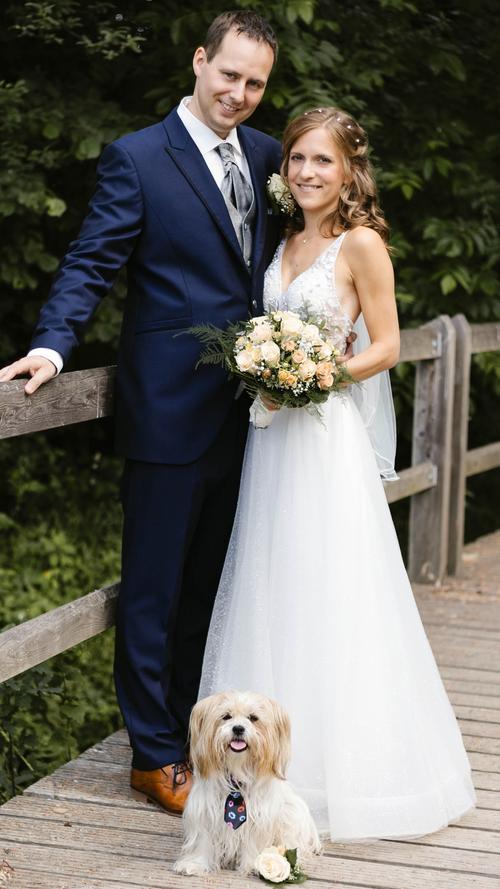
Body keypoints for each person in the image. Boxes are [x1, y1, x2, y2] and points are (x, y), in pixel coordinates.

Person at [0, 11, 284, 816]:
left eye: (255, 82)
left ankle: (199, 737)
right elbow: (92, 260)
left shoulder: (267, 158)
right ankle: (152, 753)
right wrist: (53, 347)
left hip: (248, 412)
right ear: (199, 61)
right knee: (154, 591)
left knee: (208, 586)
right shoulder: (137, 157)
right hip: (166, 410)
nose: (239, 93)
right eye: (228, 73)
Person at [199, 107, 476, 840]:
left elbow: (385, 346)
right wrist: (272, 374)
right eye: (296, 160)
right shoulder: (283, 239)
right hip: (274, 441)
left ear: (350, 168)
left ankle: (354, 774)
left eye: (322, 160)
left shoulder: (362, 245)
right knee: (275, 581)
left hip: (324, 439)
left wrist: (312, 376)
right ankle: (262, 773)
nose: (307, 173)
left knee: (336, 589)